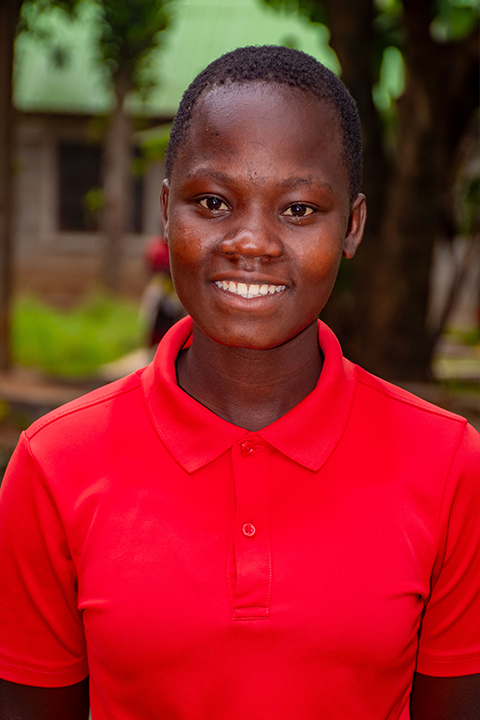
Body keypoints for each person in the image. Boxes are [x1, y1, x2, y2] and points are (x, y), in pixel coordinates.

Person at [0, 46, 479, 720]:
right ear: (166, 211)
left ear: (353, 226)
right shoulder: (53, 464)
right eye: (213, 201)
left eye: (299, 210)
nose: (250, 242)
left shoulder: (449, 465)